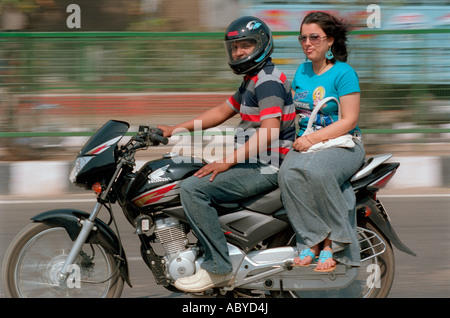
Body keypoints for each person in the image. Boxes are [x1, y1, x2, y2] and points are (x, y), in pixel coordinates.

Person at [157, 16, 296, 292]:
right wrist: (176, 128)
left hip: (269, 165)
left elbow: (269, 131)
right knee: (196, 172)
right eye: (234, 47)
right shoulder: (251, 81)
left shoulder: (267, 81)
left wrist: (226, 161)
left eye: (245, 45)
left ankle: (219, 267)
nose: (239, 52)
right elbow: (221, 112)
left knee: (194, 189)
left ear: (262, 45)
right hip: (254, 161)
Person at [278, 11, 365, 272]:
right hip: (308, 144)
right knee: (286, 175)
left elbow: (349, 120)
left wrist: (312, 138)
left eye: (314, 37)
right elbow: (295, 114)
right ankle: (311, 240)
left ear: (330, 40)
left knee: (318, 172)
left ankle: (334, 242)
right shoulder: (302, 72)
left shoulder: (344, 73)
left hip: (343, 144)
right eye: (303, 38)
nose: (308, 43)